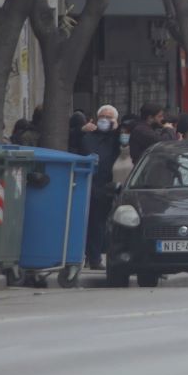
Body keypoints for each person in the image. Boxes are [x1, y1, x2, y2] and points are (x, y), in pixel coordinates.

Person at [80, 105, 121, 270]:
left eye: (109, 117)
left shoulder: (116, 139)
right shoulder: (88, 137)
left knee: (100, 224)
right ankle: (87, 257)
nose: (105, 120)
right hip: (88, 184)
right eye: (102, 117)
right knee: (88, 223)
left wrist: (116, 130)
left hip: (107, 186)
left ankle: (96, 257)